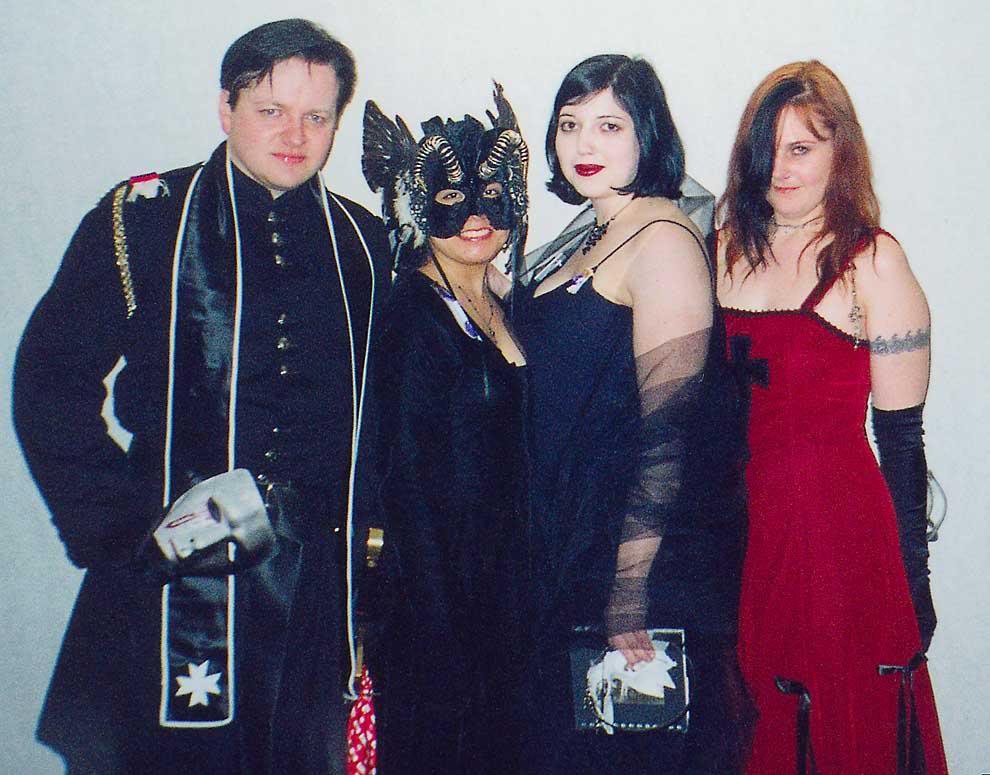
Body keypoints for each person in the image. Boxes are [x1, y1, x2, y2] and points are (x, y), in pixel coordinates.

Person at [13, 19, 390, 775]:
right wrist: (121, 528)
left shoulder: (363, 241)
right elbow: (49, 379)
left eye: (316, 116)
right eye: (271, 110)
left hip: (314, 589)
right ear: (226, 107)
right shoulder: (145, 218)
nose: (295, 135)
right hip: (172, 572)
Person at [512, 54, 752, 775]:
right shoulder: (589, 234)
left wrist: (629, 589)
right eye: (570, 124)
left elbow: (669, 435)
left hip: (636, 564)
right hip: (571, 549)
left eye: (609, 126)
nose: (584, 144)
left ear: (648, 135)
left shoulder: (664, 240)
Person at [717, 60, 947, 775]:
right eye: (769, 150)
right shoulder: (721, 246)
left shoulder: (872, 263)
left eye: (802, 148)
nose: (781, 169)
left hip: (835, 540)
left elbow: (902, 443)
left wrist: (913, 579)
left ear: (839, 150)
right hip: (735, 531)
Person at [360, 86, 530, 774]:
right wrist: (442, 638)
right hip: (441, 615)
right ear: (415, 203)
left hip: (504, 598)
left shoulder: (507, 301)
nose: (477, 218)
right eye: (452, 199)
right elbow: (403, 486)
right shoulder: (413, 319)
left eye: (492, 196)